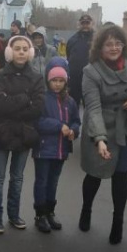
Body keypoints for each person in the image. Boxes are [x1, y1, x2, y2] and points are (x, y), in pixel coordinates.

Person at [79, 25, 127, 244]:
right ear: (99, 47)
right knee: (95, 174)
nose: (114, 48)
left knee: (121, 175)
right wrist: (99, 139)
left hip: (126, 129)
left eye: (118, 43)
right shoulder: (91, 72)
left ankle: (117, 221)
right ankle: (86, 209)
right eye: (109, 44)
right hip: (100, 126)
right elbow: (93, 108)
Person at [0, 35, 45, 233]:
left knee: (17, 178)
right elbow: (0, 104)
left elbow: (37, 108)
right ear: (10, 52)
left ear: (29, 52)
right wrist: (24, 98)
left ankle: (13, 215)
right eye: (17, 48)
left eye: (24, 48)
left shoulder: (37, 77)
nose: (21, 52)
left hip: (24, 134)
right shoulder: (0, 75)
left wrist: (12, 102)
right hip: (2, 132)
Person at [32, 66, 80, 232]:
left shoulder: (70, 101)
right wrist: (59, 126)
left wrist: (74, 130)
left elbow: (76, 121)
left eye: (61, 81)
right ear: (48, 81)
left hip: (61, 149)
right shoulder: (43, 99)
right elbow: (37, 122)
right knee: (42, 181)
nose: (58, 84)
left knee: (53, 182)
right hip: (44, 148)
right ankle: (40, 214)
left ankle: (50, 212)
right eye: (54, 81)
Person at [67, 14, 95, 106]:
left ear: (92, 24)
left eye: (87, 23)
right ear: (79, 24)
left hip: (92, 79)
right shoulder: (72, 40)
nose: (85, 25)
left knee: (91, 107)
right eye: (83, 23)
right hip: (75, 80)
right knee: (73, 106)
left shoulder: (97, 39)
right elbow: (68, 56)